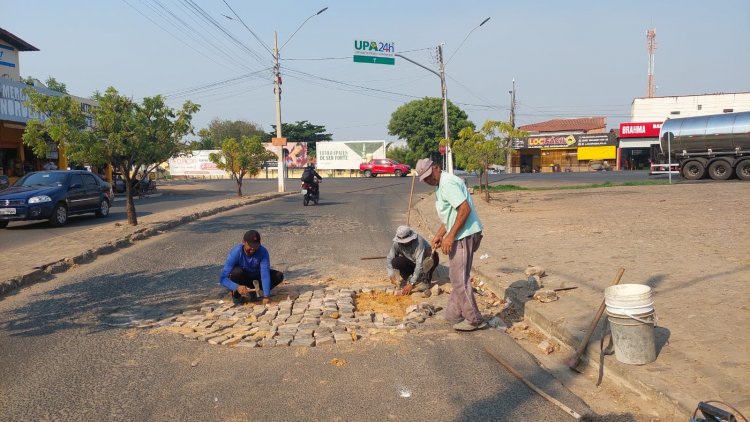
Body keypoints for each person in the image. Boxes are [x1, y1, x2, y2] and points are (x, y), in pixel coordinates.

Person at [415, 158, 486, 331]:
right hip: (462, 234)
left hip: (465, 235)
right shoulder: (441, 185)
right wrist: (440, 234)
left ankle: (475, 319)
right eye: (425, 179)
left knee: (459, 278)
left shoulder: (447, 183)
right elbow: (451, 214)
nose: (428, 181)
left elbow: (464, 210)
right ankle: (453, 314)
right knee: (457, 276)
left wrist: (450, 236)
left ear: (437, 168)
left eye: (429, 176)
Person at [219, 230, 284, 305]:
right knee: (236, 272)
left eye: (256, 246)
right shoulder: (236, 253)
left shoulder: (263, 252)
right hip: (242, 278)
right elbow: (223, 279)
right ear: (244, 242)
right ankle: (236, 296)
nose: (253, 249)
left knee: (279, 276)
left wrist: (266, 296)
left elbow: (265, 275)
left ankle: (253, 291)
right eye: (250, 245)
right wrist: (236, 287)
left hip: (255, 278)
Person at [387, 225, 439, 295]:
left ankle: (425, 280)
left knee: (431, 256)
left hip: (424, 262)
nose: (403, 243)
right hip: (412, 263)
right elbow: (390, 258)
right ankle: (411, 277)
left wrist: (412, 283)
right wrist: (391, 274)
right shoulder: (397, 243)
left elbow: (419, 263)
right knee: (395, 261)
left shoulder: (418, 242)